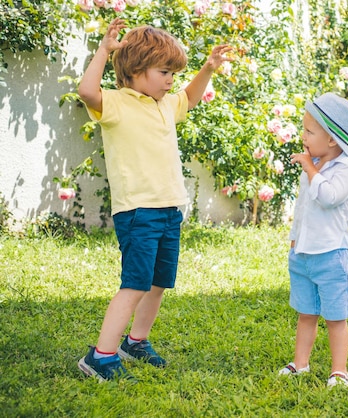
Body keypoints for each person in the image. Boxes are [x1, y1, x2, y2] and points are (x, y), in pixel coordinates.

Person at [77, 18, 233, 381]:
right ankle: (100, 356)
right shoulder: (115, 104)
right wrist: (103, 51)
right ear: (135, 69)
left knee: (158, 282)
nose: (170, 80)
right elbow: (86, 91)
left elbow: (190, 97)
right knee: (134, 284)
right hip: (137, 212)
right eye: (164, 71)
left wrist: (207, 68)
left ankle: (136, 341)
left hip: (168, 210)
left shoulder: (165, 104)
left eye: (173, 74)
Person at [279, 93, 348, 387]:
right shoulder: (312, 166)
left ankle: (339, 370)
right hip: (303, 255)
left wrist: (311, 169)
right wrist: (294, 240)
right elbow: (303, 209)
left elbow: (327, 198)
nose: (303, 136)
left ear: (331, 140)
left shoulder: (345, 171)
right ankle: (300, 363)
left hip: (331, 256)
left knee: (335, 318)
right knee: (306, 313)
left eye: (309, 131)